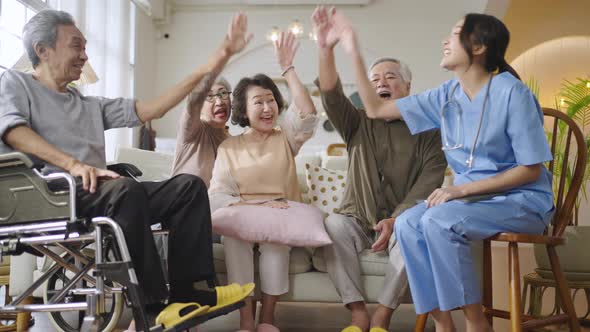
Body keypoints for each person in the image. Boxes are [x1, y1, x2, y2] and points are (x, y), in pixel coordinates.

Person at [0, 9, 254, 329]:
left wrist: (219, 57)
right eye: (76, 46)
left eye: (85, 46)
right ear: (42, 49)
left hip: (95, 193)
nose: (85, 55)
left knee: (187, 187)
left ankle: (190, 296)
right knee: (124, 188)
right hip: (49, 192)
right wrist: (74, 165)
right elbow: (13, 131)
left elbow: (155, 107)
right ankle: (150, 305)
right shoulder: (16, 83)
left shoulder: (89, 104)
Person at [325, 8, 554, 332]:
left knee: (436, 220)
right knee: (406, 224)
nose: (445, 40)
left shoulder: (512, 94)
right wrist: (352, 47)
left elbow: (530, 170)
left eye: (456, 32)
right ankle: (444, 324)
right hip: (468, 203)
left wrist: (459, 190)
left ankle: (475, 323)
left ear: (478, 47)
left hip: (520, 199)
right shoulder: (447, 94)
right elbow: (375, 108)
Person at [310, 7, 447, 332]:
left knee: (413, 232)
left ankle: (382, 316)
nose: (381, 83)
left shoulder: (431, 132)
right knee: (333, 224)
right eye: (374, 80)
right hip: (358, 218)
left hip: (401, 221)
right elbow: (330, 93)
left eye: (390, 77)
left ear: (407, 86)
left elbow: (427, 185)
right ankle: (357, 313)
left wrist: (396, 218)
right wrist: (326, 48)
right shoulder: (356, 120)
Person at [208, 32, 318, 332]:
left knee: (274, 245)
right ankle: (246, 321)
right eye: (259, 102)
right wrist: (254, 206)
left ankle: (267, 320)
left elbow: (308, 114)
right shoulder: (229, 147)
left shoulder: (286, 138)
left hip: (281, 215)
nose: (267, 108)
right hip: (242, 213)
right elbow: (218, 194)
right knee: (235, 241)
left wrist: (288, 69)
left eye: (271, 100)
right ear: (243, 110)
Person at [171, 75, 232, 187]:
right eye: (209, 96)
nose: (219, 102)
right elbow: (192, 105)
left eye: (223, 94)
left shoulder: (232, 142)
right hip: (184, 201)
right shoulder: (193, 130)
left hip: (217, 203)